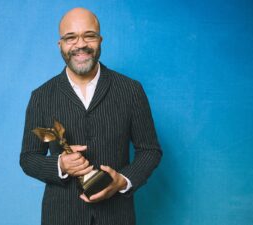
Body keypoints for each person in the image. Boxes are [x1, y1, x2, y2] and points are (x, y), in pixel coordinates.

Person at [20, 7, 162, 225]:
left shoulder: (131, 90)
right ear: (61, 45)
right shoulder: (41, 96)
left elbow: (150, 150)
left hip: (117, 216)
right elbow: (28, 158)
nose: (80, 45)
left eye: (89, 35)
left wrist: (122, 182)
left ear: (100, 40)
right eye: (70, 38)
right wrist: (60, 165)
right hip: (60, 217)